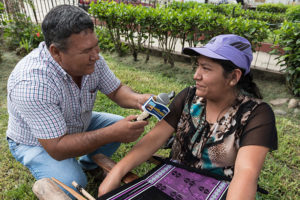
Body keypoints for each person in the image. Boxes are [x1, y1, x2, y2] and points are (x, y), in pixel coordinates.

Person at [98, 34, 278, 199]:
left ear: (233, 77)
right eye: (198, 66)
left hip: (220, 190)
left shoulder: (257, 115)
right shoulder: (189, 97)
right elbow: (153, 139)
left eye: (206, 69)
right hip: (172, 177)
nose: (196, 75)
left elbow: (246, 174)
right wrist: (116, 172)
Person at [6, 4, 150, 197]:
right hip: (37, 142)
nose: (96, 55)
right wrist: (111, 134)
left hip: (73, 123)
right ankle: (55, 174)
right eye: (86, 51)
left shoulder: (92, 58)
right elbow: (57, 147)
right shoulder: (32, 82)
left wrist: (138, 99)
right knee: (73, 184)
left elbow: (115, 90)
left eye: (96, 45)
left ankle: (89, 164)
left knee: (117, 124)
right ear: (56, 52)